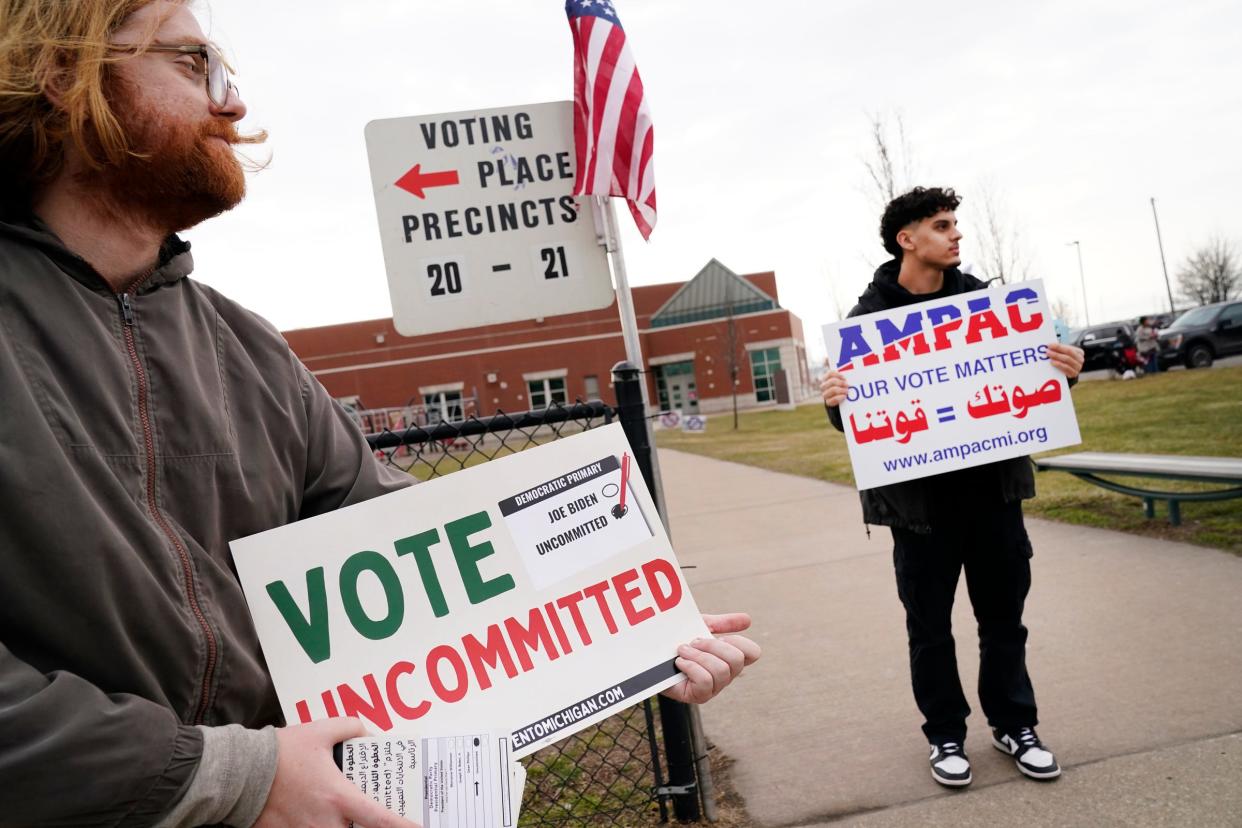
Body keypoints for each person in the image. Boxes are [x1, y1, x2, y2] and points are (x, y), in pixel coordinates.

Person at [0, 1, 761, 824]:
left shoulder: (247, 350)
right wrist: (219, 775)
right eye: (192, 65)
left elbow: (405, 562)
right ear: (59, 68)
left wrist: (624, 624)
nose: (233, 103)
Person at [820, 187, 1085, 788]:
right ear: (905, 240)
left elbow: (1029, 392)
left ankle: (1015, 724)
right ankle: (945, 736)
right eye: (942, 226)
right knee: (930, 629)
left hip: (992, 499)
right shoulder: (866, 325)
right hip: (921, 513)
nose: (956, 235)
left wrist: (1063, 375)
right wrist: (836, 404)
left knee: (1004, 621)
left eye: (956, 225)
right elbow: (859, 422)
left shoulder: (990, 309)